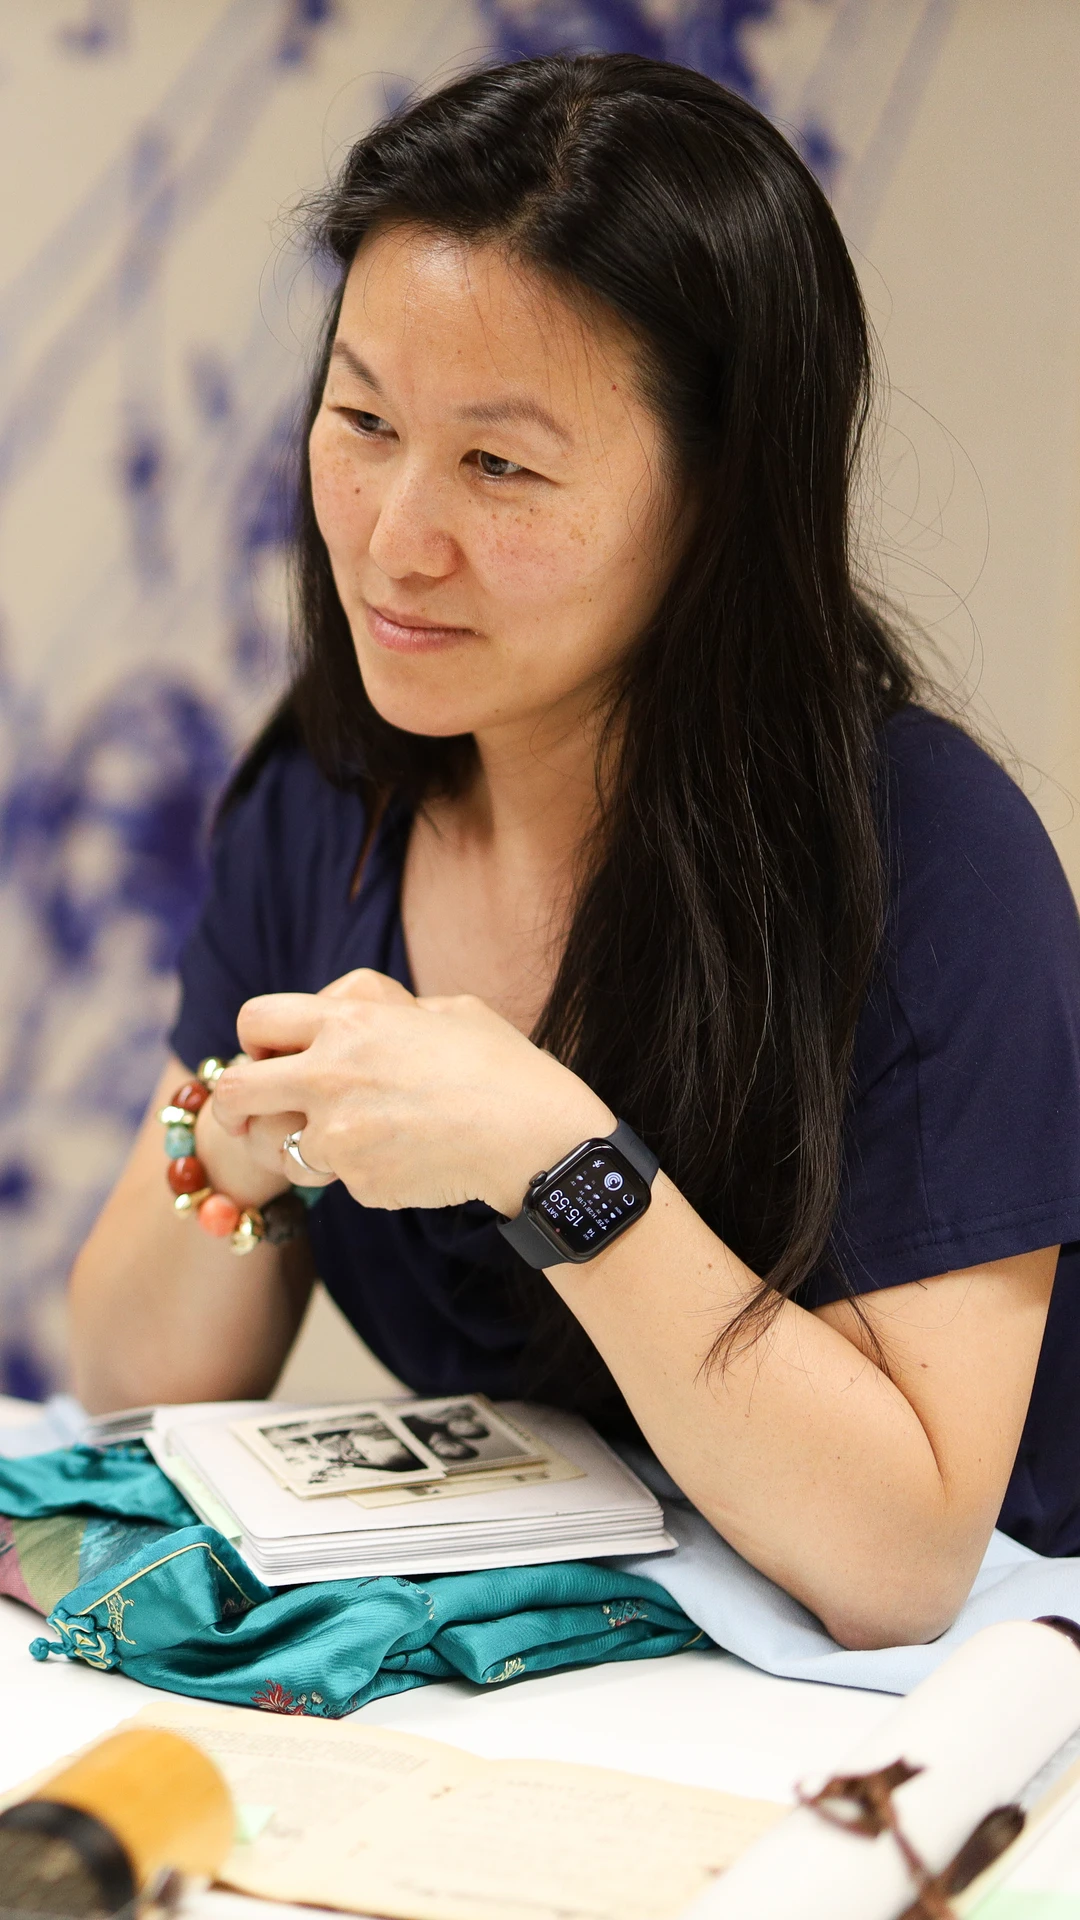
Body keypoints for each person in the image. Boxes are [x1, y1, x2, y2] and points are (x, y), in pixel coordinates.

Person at [69, 54, 1080, 1652]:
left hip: (945, 1762)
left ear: (718, 499)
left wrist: (558, 1160)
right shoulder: (328, 802)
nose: (395, 537)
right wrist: (232, 1143)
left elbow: (902, 1562)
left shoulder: (931, 861)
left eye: (500, 465)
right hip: (556, 1703)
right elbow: (126, 1387)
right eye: (362, 417)